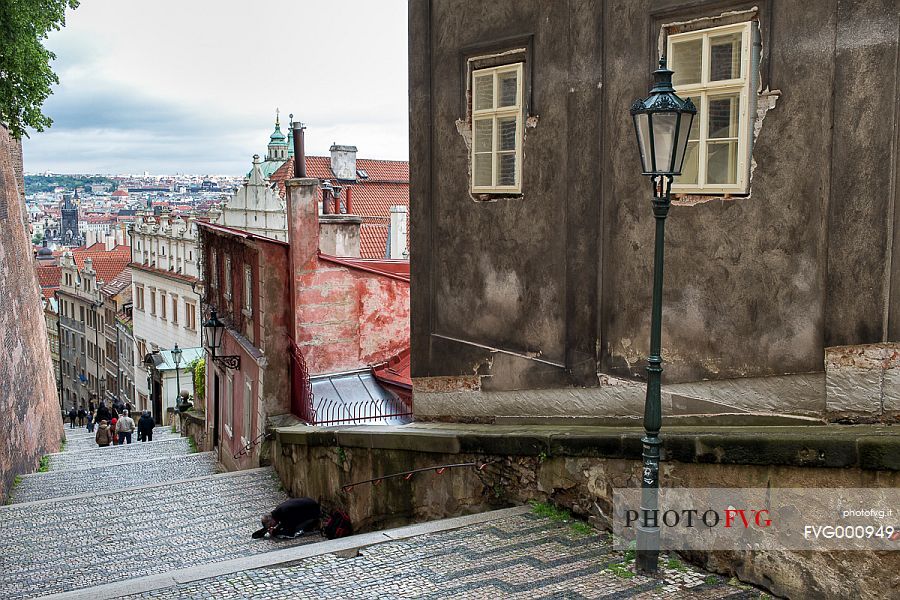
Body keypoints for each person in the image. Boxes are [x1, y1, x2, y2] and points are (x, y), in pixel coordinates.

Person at [252, 497, 321, 539]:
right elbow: (284, 523)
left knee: (297, 529)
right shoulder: (278, 511)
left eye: (270, 525)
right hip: (311, 504)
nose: (272, 526)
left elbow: (290, 530)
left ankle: (314, 522)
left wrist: (275, 532)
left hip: (313, 511)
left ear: (271, 521)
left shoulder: (284, 512)